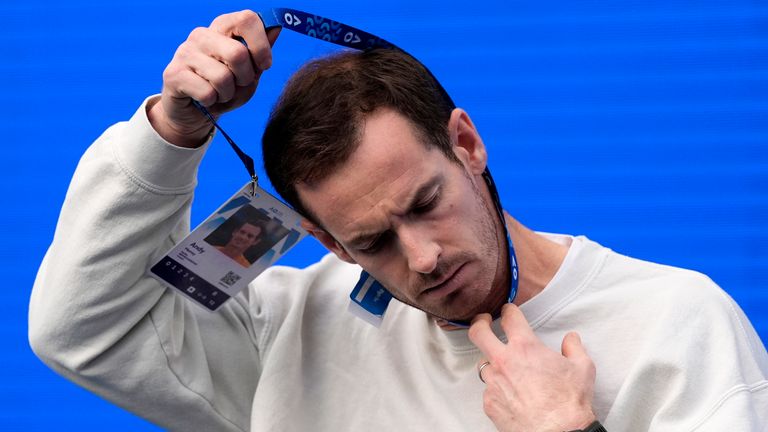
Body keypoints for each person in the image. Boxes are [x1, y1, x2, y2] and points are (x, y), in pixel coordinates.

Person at [28, 10, 767, 432]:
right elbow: (85, 330)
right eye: (372, 241)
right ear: (326, 243)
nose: (420, 259)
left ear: (467, 144)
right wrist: (170, 134)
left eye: (423, 204)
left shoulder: (676, 324)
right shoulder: (285, 335)